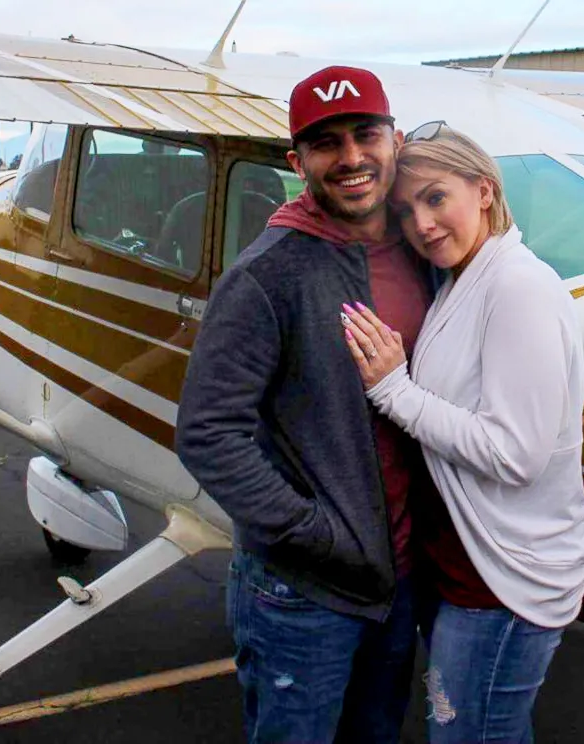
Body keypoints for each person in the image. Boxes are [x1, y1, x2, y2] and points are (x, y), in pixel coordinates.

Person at [176, 66, 436, 744]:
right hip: (303, 589)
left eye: (364, 135)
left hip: (399, 576)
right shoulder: (266, 275)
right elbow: (208, 433)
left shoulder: (427, 255)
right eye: (326, 144)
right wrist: (315, 534)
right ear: (297, 162)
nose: (350, 158)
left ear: (395, 140)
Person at [341, 123, 584, 743]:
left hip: (501, 580)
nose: (422, 225)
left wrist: (392, 390)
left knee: (468, 736)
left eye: (436, 198)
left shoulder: (517, 286)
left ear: (483, 190)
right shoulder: (465, 277)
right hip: (462, 567)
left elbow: (515, 454)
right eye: (405, 211)